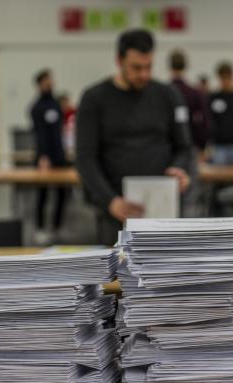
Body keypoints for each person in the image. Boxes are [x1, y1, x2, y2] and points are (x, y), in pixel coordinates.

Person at [75, 29, 193, 245]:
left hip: (162, 208)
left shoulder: (168, 95)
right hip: (116, 212)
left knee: (165, 274)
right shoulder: (94, 99)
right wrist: (110, 201)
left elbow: (184, 148)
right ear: (118, 60)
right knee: (116, 276)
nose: (144, 75)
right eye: (136, 68)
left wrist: (180, 169)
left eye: (149, 66)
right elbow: (85, 159)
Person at [30, 69, 70, 243]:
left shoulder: (56, 104)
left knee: (62, 192)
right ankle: (39, 228)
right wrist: (43, 156)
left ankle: (57, 227)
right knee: (43, 193)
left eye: (51, 79)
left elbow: (59, 130)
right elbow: (40, 134)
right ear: (39, 84)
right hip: (44, 157)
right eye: (46, 80)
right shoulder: (36, 107)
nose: (50, 83)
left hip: (59, 156)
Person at [169, 50, 209, 155]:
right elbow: (204, 121)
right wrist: (202, 145)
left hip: (169, 146)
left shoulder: (163, 93)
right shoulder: (194, 93)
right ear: (185, 66)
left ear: (170, 66)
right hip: (191, 144)